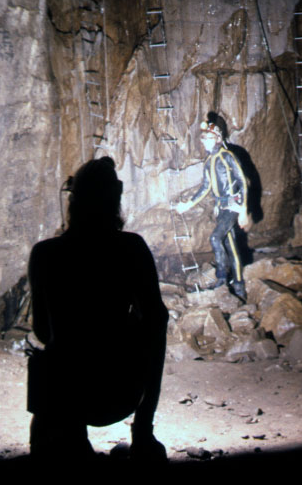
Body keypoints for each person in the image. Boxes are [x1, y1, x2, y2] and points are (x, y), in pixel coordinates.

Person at [27, 156, 168, 463]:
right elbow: (157, 321)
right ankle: (143, 430)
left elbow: (42, 331)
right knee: (154, 321)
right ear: (114, 201)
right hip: (120, 386)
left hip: (64, 393)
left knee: (47, 353)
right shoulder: (132, 248)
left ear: (73, 202)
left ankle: (64, 440)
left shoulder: (45, 254)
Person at [176, 120, 249, 300]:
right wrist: (188, 204)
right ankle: (239, 286)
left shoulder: (227, 156)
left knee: (216, 238)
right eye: (203, 138)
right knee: (231, 246)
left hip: (233, 205)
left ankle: (222, 278)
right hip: (221, 207)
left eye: (209, 138)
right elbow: (205, 187)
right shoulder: (209, 161)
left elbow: (243, 182)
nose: (205, 141)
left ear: (217, 138)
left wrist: (243, 210)